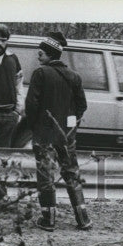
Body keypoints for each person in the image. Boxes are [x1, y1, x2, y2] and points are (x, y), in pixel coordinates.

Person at [25, 32, 91, 232]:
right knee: (72, 172)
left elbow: (31, 105)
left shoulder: (40, 73)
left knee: (45, 173)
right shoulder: (74, 76)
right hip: (66, 135)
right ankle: (83, 218)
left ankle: (48, 219)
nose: (38, 56)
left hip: (44, 133)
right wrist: (70, 125)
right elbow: (82, 106)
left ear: (48, 54)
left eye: (41, 53)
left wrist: (34, 124)